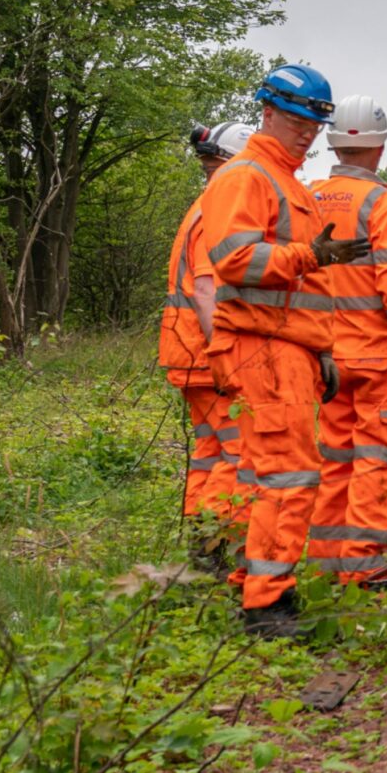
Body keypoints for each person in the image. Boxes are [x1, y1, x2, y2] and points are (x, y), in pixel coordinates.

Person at [198, 64, 371, 639]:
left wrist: (320, 348)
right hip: (261, 348)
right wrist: (309, 256)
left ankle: (254, 580)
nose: (307, 132)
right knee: (288, 476)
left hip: (287, 349)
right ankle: (266, 606)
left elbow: (307, 293)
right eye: (297, 119)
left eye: (316, 122)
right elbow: (234, 260)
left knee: (271, 475)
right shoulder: (246, 176)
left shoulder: (291, 183)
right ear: (267, 111)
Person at [307, 95, 387, 582]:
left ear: (332, 143)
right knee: (379, 458)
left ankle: (323, 564)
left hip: (327, 358)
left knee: (335, 457)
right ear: (381, 147)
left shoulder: (309, 198)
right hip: (378, 357)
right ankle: (362, 566)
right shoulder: (384, 204)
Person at [159, 120, 251, 565]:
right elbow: (205, 290)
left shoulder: (200, 206)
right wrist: (224, 354)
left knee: (209, 451)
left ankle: (200, 542)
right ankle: (213, 547)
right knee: (241, 451)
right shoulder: (218, 210)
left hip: (188, 352)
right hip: (207, 353)